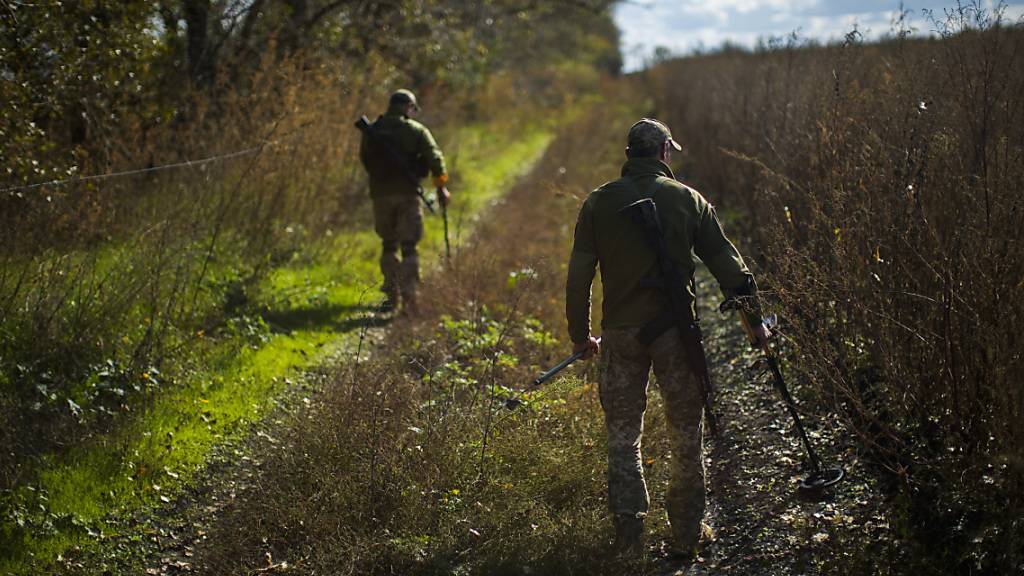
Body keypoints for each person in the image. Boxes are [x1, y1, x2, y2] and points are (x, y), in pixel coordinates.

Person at [564, 118, 770, 558]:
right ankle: (687, 536)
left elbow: (579, 274)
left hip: (619, 335)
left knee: (623, 435)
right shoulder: (688, 199)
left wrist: (581, 337)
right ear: (663, 153)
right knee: (685, 432)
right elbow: (730, 268)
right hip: (676, 334)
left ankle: (630, 537)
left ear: (628, 156)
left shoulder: (597, 203)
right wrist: (755, 326)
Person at [359, 88, 450, 314]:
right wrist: (441, 188)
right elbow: (435, 158)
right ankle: (410, 298)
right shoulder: (416, 130)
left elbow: (365, 159)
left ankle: (391, 296)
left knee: (388, 245)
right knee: (409, 247)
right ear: (408, 108)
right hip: (408, 195)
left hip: (380, 195)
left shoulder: (374, 130)